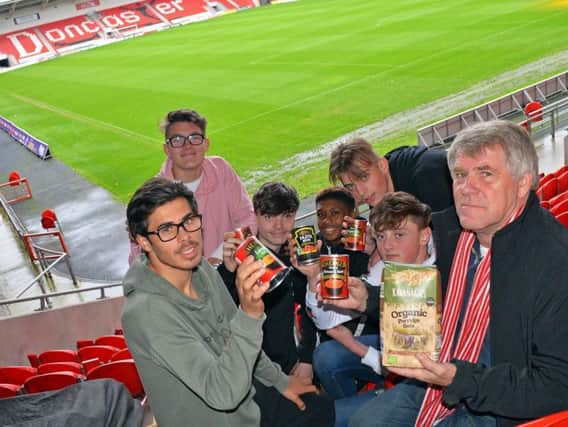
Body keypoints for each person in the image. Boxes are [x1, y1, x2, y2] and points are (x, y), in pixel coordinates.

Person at [324, 120, 568, 426]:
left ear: (522, 183)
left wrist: (460, 378)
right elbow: (423, 299)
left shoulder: (555, 261)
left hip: (500, 402)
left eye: (486, 174)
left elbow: (556, 386)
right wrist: (369, 301)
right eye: (460, 175)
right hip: (441, 375)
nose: (467, 189)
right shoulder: (451, 230)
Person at [122, 177, 333, 427]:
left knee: (320, 406)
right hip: (221, 412)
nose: (187, 238)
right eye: (167, 229)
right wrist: (249, 313)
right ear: (144, 241)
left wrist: (280, 380)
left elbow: (235, 338)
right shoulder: (146, 312)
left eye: (189, 221)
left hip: (247, 398)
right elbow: (223, 394)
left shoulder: (201, 269)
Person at [217, 182, 318, 381]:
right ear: (255, 215)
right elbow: (220, 313)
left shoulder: (294, 258)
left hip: (290, 364)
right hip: (251, 372)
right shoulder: (239, 260)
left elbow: (309, 309)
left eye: (287, 216)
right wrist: (228, 271)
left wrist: (306, 358)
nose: (279, 226)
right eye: (270, 216)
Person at [129, 108, 255, 264]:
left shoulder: (221, 169)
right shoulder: (152, 195)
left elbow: (248, 219)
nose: (187, 146)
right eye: (177, 140)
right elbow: (139, 261)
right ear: (166, 149)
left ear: (206, 144)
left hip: (227, 273)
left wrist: (218, 257)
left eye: (194, 138)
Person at [329, 137, 453, 211]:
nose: (361, 193)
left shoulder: (428, 175)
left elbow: (448, 240)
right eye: (350, 186)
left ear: (382, 165)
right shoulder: (378, 196)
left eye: (364, 177)